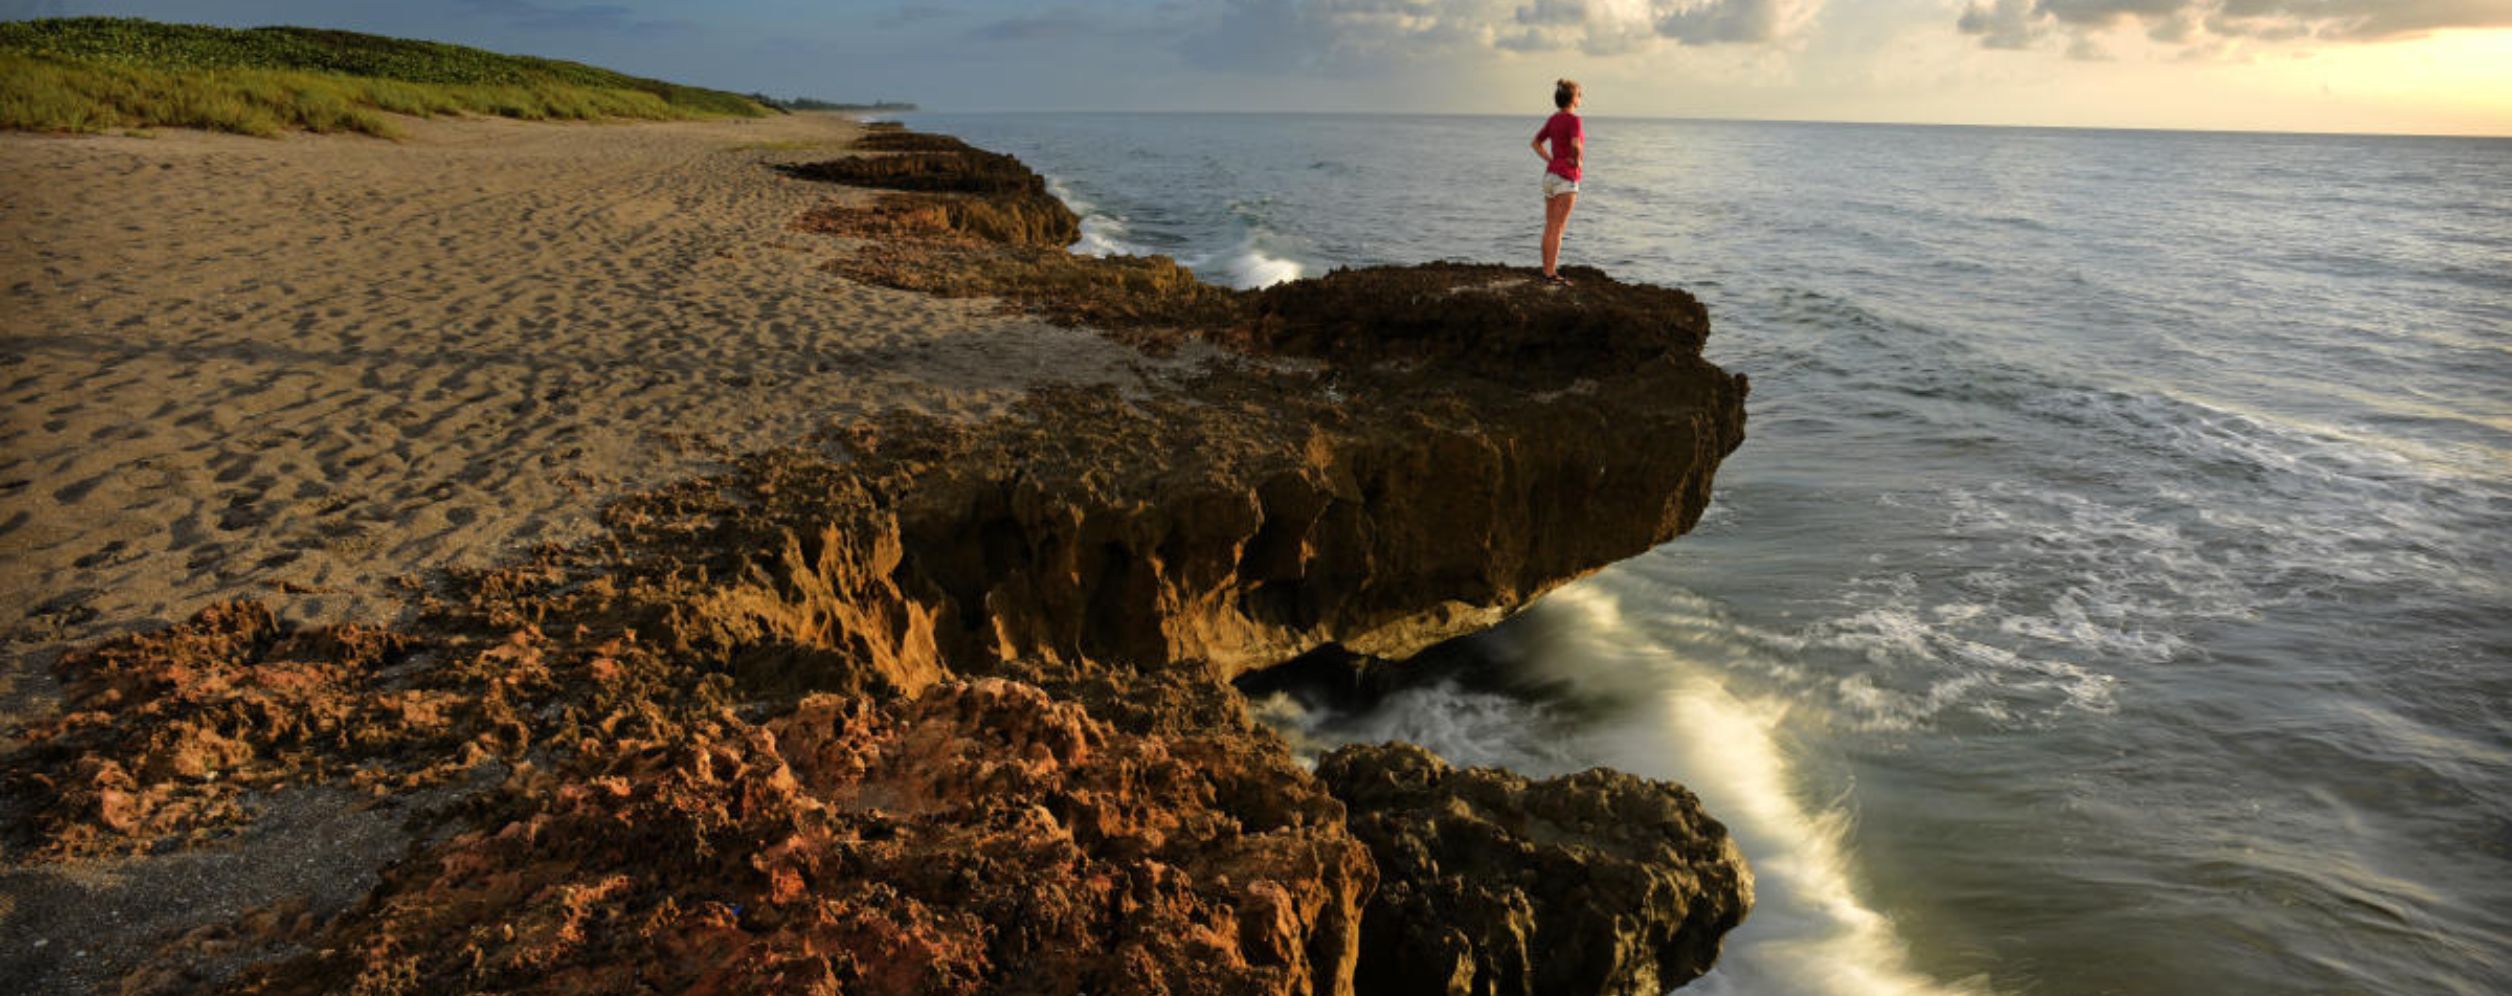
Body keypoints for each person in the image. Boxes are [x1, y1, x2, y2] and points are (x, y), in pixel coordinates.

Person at [1530, 78, 1584, 287]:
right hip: (1566, 178)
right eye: (1579, 94)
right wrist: (1577, 160)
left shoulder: (1553, 119)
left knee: (1550, 226)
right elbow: (1575, 145)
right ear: (1573, 98)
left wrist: (1551, 160)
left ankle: (1547, 271)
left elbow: (1535, 143)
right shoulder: (1574, 120)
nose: (1580, 98)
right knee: (1558, 228)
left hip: (1550, 177)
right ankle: (1551, 274)